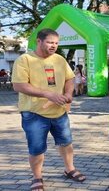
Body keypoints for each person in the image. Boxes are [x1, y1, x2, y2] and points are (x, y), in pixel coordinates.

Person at [12, 29, 86, 191]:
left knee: (66, 143)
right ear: (39, 41)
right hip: (34, 114)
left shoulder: (59, 59)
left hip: (59, 112)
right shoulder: (25, 60)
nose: (54, 46)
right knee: (37, 148)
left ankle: (69, 169)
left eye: (56, 43)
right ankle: (37, 177)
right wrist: (47, 94)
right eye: (50, 42)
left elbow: (70, 78)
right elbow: (18, 85)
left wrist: (67, 93)